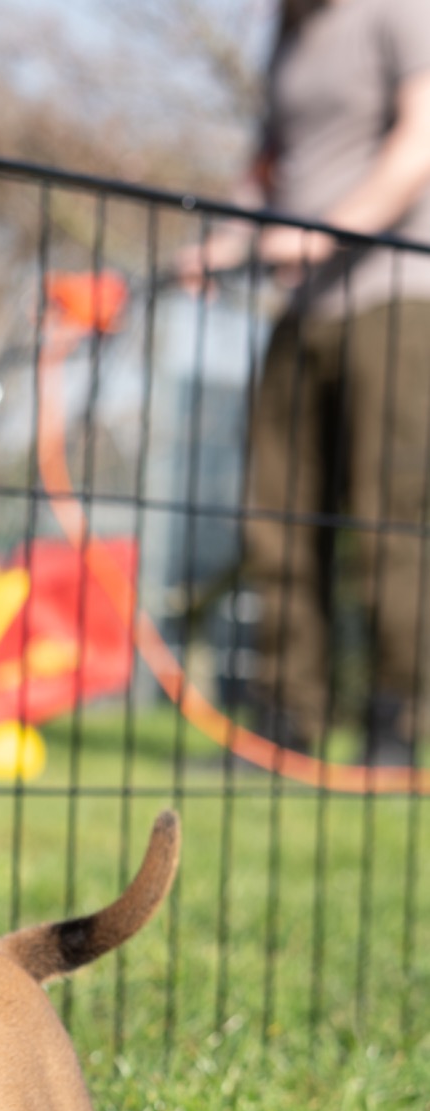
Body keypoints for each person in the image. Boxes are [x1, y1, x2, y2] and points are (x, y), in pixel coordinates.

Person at [181, 0, 430, 766]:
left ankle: (396, 723)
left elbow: (419, 140)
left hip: (394, 291)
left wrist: (328, 230)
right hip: (300, 305)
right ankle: (284, 717)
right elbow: (269, 162)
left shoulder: (398, 10)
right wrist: (225, 243)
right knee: (276, 512)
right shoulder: (288, 31)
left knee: (388, 514)